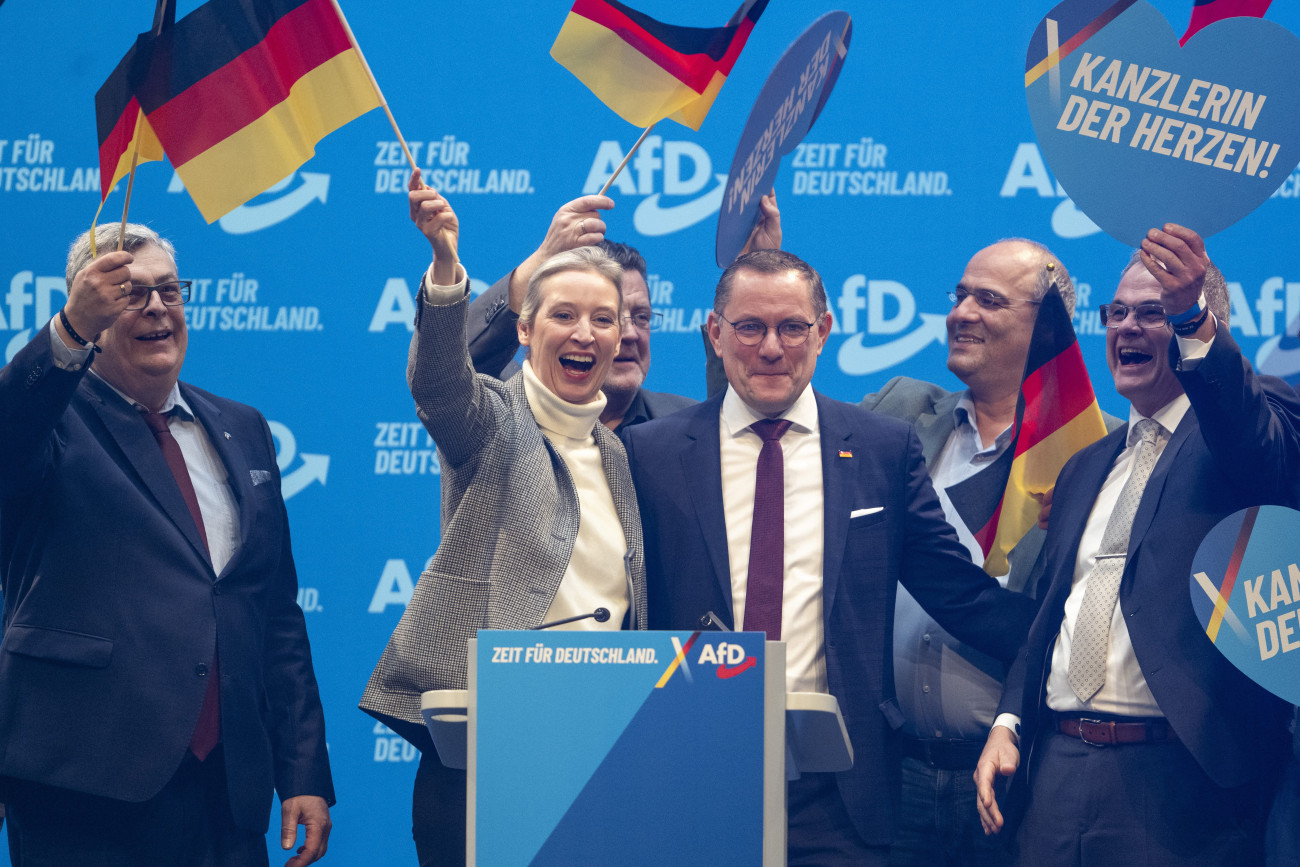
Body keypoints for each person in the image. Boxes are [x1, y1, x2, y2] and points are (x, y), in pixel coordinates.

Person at [622, 248, 1037, 865]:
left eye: (792, 328)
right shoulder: (648, 453)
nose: (770, 348)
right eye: (749, 327)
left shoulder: (880, 448)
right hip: (693, 774)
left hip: (840, 795)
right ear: (714, 333)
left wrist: (1068, 639)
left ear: (823, 332)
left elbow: (960, 594)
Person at [0, 223, 334, 866]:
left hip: (225, 794)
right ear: (89, 313)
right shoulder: (50, 420)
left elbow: (275, 616)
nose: (156, 306)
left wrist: (302, 772)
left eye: (169, 291)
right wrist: (66, 332)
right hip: (84, 790)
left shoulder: (242, 426)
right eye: (129, 293)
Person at [974, 224, 1300, 866]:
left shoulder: (1251, 424)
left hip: (1183, 779)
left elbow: (1252, 438)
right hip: (1057, 771)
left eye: (1152, 313)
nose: (1126, 328)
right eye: (1116, 312)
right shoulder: (1086, 465)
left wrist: (1191, 317)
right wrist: (1009, 722)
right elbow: (1051, 615)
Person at [359, 170, 647, 867]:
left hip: (594, 751)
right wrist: (447, 267)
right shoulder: (491, 418)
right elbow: (436, 380)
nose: (585, 333)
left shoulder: (619, 454)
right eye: (563, 315)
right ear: (524, 326)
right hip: (482, 751)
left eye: (604, 319)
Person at [861, 239, 1114, 867]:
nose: (961, 312)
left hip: (1012, 778)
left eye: (990, 300)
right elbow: (775, 446)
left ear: (1046, 324)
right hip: (896, 774)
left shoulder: (1098, 454)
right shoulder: (897, 412)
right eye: (961, 294)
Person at [467, 192, 782, 432]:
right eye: (608, 318)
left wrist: (753, 279)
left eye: (642, 317)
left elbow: (744, 423)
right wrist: (541, 260)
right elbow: (452, 363)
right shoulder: (505, 406)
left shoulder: (684, 426)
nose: (629, 334)